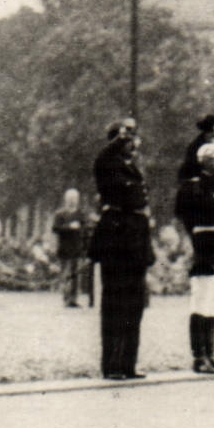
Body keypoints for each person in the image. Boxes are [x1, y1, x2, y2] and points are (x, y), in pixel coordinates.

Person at [90, 118, 154, 380]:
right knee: (115, 302)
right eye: (126, 139)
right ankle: (113, 363)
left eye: (133, 139)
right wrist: (119, 137)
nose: (132, 144)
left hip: (135, 240)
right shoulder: (107, 165)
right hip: (116, 239)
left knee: (134, 304)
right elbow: (102, 158)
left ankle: (128, 362)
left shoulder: (133, 169)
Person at [176, 139, 214, 373]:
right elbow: (194, 213)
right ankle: (199, 355)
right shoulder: (195, 186)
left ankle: (210, 353)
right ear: (206, 162)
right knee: (201, 300)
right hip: (205, 245)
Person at [52, 188, 91, 308]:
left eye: (75, 198)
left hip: (76, 247)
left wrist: (85, 246)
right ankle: (66, 297)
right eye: (70, 198)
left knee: (75, 273)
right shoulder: (59, 214)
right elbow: (55, 228)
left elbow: (86, 229)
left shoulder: (81, 214)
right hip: (64, 247)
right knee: (65, 273)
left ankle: (73, 298)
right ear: (66, 199)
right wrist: (69, 227)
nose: (73, 201)